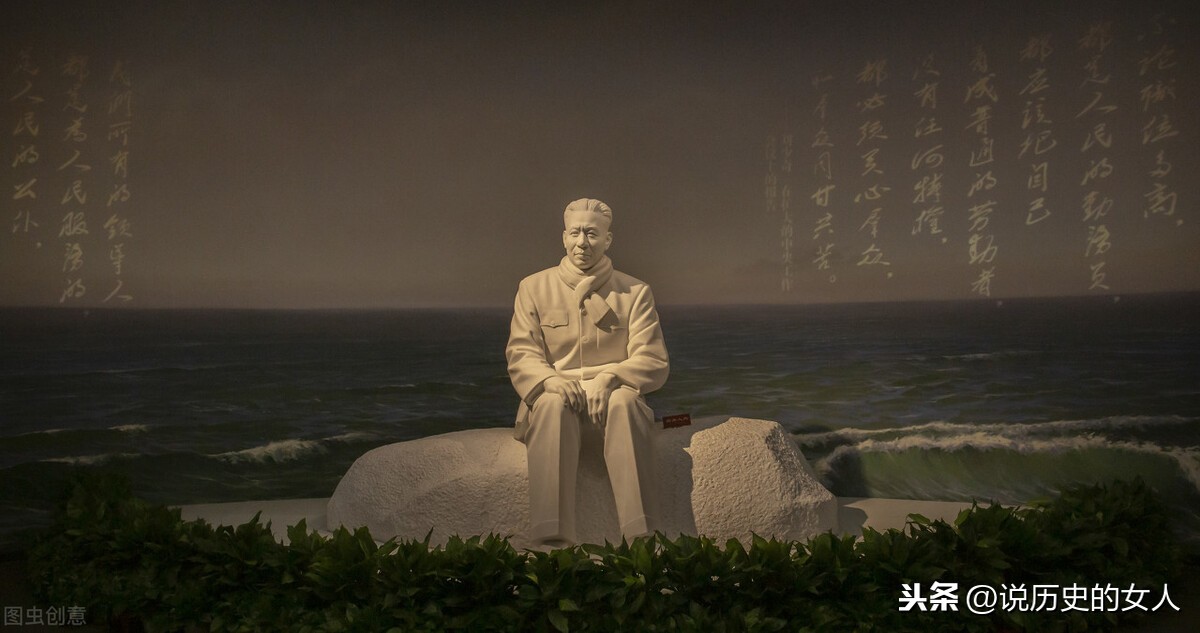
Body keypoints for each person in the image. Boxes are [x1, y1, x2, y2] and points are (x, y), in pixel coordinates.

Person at [506, 198, 670, 548]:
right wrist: (550, 380)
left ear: (608, 240)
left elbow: (653, 359)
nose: (582, 242)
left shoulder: (634, 292)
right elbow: (522, 352)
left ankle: (642, 537)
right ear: (564, 237)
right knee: (551, 404)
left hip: (611, 398)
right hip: (557, 396)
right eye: (575, 233)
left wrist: (612, 377)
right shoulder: (533, 288)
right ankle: (552, 539)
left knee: (625, 403)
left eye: (592, 234)